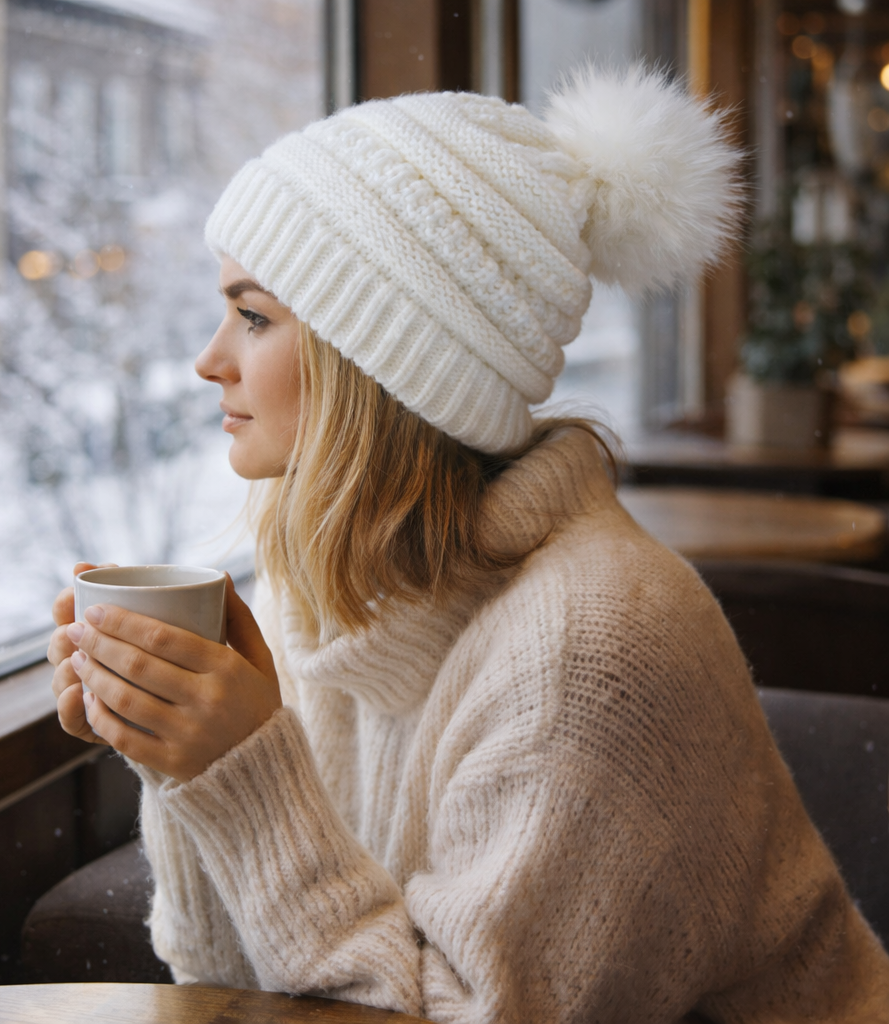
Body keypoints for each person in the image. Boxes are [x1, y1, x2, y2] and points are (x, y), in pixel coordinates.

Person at [47, 68, 889, 1022]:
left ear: (381, 360)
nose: (210, 360)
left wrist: (243, 776)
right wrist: (176, 755)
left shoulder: (587, 656)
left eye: (253, 315)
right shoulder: (326, 591)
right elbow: (231, 984)